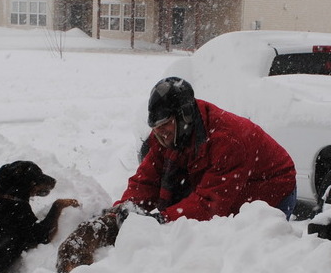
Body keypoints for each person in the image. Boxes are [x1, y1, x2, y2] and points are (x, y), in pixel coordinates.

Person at [114, 77, 297, 222]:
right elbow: (147, 180)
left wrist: (162, 219)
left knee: (242, 256)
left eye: (165, 124)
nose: (160, 133)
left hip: (269, 189)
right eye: (155, 127)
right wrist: (125, 208)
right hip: (228, 188)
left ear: (184, 117)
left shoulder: (226, 142)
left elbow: (209, 205)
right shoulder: (167, 136)